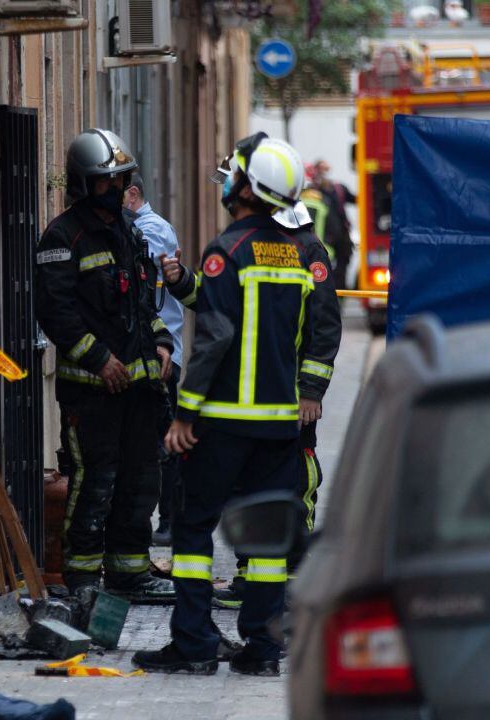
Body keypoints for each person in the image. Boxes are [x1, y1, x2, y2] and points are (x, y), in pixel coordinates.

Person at [131, 133, 311, 676]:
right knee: (268, 541)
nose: (226, 180)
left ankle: (194, 644)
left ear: (247, 187)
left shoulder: (226, 251)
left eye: (233, 173)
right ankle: (261, 650)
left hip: (225, 422)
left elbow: (211, 337)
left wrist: (185, 415)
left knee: (192, 530)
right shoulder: (302, 253)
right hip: (280, 427)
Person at [34, 128, 175, 605]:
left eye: (120, 180)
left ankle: (129, 572)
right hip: (90, 392)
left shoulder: (129, 233)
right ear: (82, 184)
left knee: (141, 481)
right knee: (95, 483)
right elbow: (56, 312)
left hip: (138, 391)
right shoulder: (61, 237)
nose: (114, 190)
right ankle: (83, 578)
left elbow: (143, 304)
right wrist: (99, 359)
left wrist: (161, 344)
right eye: (104, 182)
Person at [210, 198, 342, 610]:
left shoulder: (308, 249)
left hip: (292, 395)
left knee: (297, 479)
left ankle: (296, 574)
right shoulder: (260, 246)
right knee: (251, 484)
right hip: (258, 395)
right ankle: (254, 577)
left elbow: (325, 325)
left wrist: (310, 391)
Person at [123, 173, 184, 547]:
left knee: (166, 441)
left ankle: (171, 520)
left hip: (164, 353)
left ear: (133, 194)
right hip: (146, 352)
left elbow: (142, 265)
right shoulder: (134, 225)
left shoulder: (151, 229)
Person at [312, 160, 357, 290]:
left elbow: (357, 199)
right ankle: (325, 290)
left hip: (342, 235)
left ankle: (340, 292)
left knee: (343, 263)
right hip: (323, 236)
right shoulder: (313, 191)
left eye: (326, 169)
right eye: (320, 170)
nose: (323, 173)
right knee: (323, 265)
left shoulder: (339, 189)